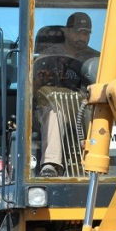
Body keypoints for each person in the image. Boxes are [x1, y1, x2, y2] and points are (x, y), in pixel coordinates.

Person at [36, 12, 99, 177]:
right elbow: (33, 85)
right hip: (52, 106)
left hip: (85, 107)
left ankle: (105, 162)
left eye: (85, 33)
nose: (81, 37)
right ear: (67, 32)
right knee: (54, 112)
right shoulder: (49, 55)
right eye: (78, 32)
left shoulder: (96, 57)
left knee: (100, 113)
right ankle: (51, 163)